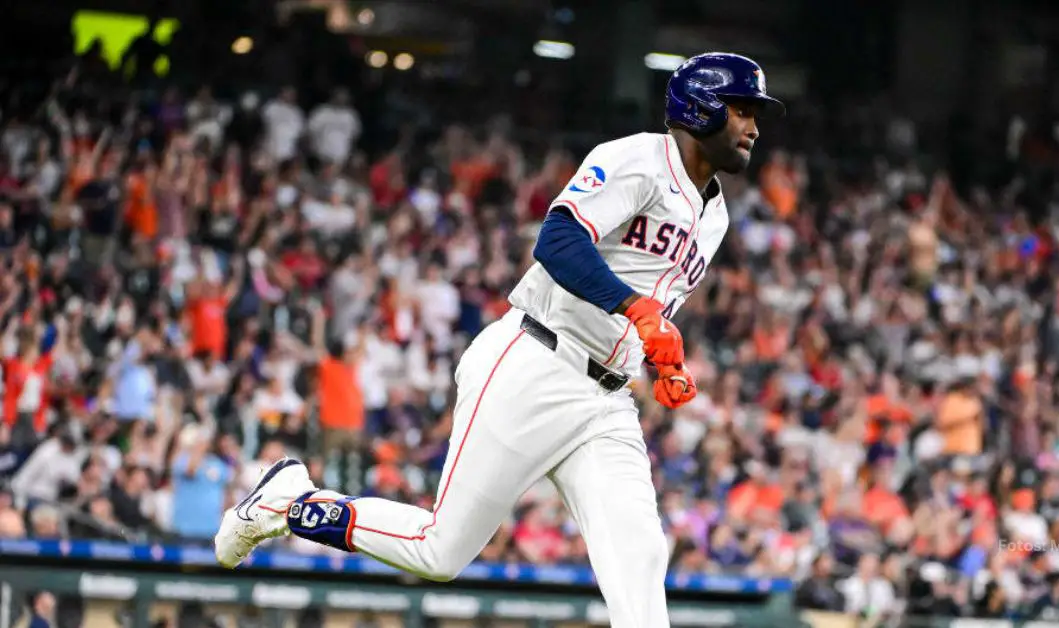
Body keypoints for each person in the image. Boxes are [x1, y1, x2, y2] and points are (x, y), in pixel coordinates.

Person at [214, 52, 783, 627]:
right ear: (702, 106)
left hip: (606, 399)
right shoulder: (639, 159)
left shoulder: (716, 218)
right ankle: (289, 504)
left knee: (639, 555)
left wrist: (661, 360)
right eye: (742, 110)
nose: (753, 127)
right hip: (535, 359)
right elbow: (558, 242)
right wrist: (639, 313)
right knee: (439, 552)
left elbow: (648, 302)